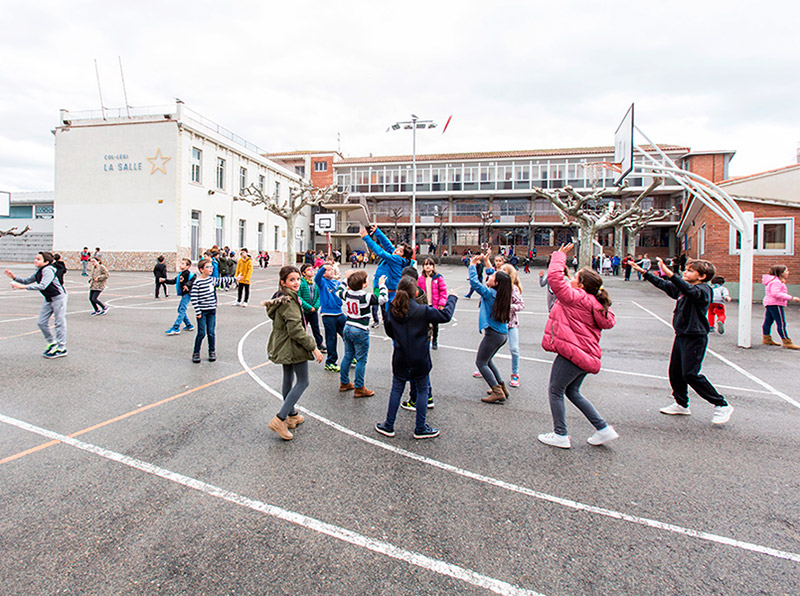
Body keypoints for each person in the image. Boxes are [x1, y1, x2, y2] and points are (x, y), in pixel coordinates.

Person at [631, 257, 734, 424]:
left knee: (690, 374)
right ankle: (681, 404)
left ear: (702, 276)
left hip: (695, 337)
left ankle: (721, 404)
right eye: (686, 270)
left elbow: (688, 290)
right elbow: (665, 285)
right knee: (675, 372)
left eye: (690, 271)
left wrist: (671, 274)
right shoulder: (684, 289)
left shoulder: (703, 290)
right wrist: (643, 272)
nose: (685, 272)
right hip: (682, 335)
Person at [537, 244, 619, 449]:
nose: (571, 279)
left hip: (573, 353)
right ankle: (603, 428)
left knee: (555, 390)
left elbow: (555, 279)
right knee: (572, 391)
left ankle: (560, 434)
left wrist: (559, 256)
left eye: (575, 277)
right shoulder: (594, 302)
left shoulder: (577, 298)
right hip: (586, 354)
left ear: (581, 286)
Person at [375, 276, 457, 440]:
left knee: (397, 389)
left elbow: (389, 330)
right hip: (419, 356)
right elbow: (446, 315)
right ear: (416, 292)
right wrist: (452, 298)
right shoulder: (422, 310)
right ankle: (420, 427)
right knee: (422, 390)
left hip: (400, 355)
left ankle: (389, 425)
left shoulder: (392, 309)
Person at [263, 265, 324, 440]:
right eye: (292, 280)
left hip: (283, 344)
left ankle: (291, 415)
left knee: (288, 377)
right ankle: (280, 418)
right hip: (292, 345)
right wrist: (314, 347)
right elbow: (296, 330)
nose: (296, 283)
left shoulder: (283, 297)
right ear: (283, 282)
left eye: (298, 279)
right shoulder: (289, 302)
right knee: (303, 381)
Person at [5, 251, 68, 358]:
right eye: (35, 258)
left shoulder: (48, 270)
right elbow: (27, 280)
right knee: (41, 322)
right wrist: (14, 277)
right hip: (49, 299)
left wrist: (22, 288)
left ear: (46, 262)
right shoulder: (39, 270)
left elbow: (43, 286)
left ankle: (62, 348)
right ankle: (52, 343)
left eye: (38, 259)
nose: (35, 260)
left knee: (59, 322)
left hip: (58, 298)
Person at [468, 254, 512, 403]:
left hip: (493, 334)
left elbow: (475, 283)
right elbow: (492, 276)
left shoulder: (489, 294)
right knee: (488, 360)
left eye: (492, 276)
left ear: (496, 282)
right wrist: (487, 262)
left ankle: (496, 390)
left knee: (480, 363)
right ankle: (501, 386)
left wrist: (472, 265)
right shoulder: (501, 293)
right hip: (501, 334)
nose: (489, 276)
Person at [336, 270, 388, 397]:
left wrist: (345, 279)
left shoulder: (347, 294)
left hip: (348, 326)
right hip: (360, 329)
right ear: (364, 284)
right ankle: (359, 387)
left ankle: (344, 382)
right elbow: (383, 298)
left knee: (348, 356)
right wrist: (382, 285)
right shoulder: (367, 296)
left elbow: (339, 291)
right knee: (361, 360)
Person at [189, 258, 239, 363]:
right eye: (208, 267)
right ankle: (196, 352)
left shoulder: (211, 279)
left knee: (211, 332)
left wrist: (235, 279)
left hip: (212, 311)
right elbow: (194, 298)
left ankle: (212, 351)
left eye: (211, 267)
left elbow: (222, 280)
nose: (211, 269)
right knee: (201, 333)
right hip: (202, 312)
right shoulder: (197, 282)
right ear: (201, 269)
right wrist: (198, 312)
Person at [359, 225, 413, 303]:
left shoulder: (397, 259)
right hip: (383, 286)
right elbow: (387, 244)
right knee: (379, 307)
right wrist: (377, 232)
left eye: (400, 251)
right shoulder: (396, 254)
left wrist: (366, 238)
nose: (396, 250)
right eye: (398, 248)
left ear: (404, 257)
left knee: (386, 309)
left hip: (389, 290)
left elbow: (380, 252)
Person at [315, 263, 346, 371]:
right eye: (328, 270)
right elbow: (317, 277)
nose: (331, 271)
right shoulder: (322, 283)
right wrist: (324, 268)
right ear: (323, 274)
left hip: (339, 313)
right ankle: (330, 362)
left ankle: (351, 357)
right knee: (331, 339)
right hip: (328, 315)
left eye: (332, 270)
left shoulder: (337, 283)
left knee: (348, 335)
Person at [761, 265, 800, 349]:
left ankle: (766, 338)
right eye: (786, 271)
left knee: (768, 321)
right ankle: (786, 341)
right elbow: (776, 293)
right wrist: (791, 298)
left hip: (770, 303)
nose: (788, 273)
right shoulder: (776, 282)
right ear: (780, 273)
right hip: (776, 304)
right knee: (781, 322)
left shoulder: (773, 281)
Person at [502, 264, 525, 387]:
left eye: (504, 270)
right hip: (499, 322)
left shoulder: (513, 289)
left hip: (511, 323)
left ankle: (515, 373)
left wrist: (509, 308)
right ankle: (484, 367)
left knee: (514, 349)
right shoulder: (497, 286)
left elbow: (521, 305)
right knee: (490, 348)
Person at [417, 258, 447, 350]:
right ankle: (426, 340)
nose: (428, 266)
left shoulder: (438, 278)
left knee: (435, 325)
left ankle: (435, 340)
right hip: (424, 305)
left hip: (435, 305)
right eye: (426, 264)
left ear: (433, 267)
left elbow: (443, 291)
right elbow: (418, 291)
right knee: (424, 324)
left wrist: (441, 303)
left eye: (430, 264)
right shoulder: (421, 278)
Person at [162, 258, 196, 335]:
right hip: (184, 294)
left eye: (183, 263)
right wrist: (164, 280)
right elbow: (174, 281)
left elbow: (193, 279)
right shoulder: (181, 274)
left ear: (188, 266)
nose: (181, 265)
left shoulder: (188, 274)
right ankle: (189, 325)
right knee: (180, 310)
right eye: (181, 263)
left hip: (187, 294)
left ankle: (176, 327)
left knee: (182, 310)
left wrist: (187, 285)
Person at [298, 263, 325, 352]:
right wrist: (309, 307)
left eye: (312, 269)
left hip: (313, 311)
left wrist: (315, 306)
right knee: (303, 328)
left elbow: (318, 296)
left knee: (315, 328)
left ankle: (319, 343)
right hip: (304, 311)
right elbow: (299, 297)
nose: (312, 271)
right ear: (304, 273)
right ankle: (303, 344)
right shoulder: (301, 283)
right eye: (309, 270)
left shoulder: (315, 283)